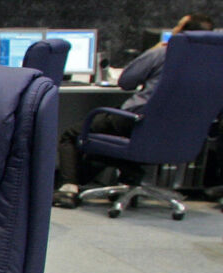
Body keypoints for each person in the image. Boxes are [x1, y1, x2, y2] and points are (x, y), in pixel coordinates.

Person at [53, 13, 215, 208]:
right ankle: (130, 173)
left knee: (72, 135)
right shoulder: (214, 63)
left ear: (181, 33)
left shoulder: (163, 53)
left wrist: (154, 51)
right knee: (103, 145)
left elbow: (126, 82)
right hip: (180, 132)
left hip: (137, 121)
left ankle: (68, 190)